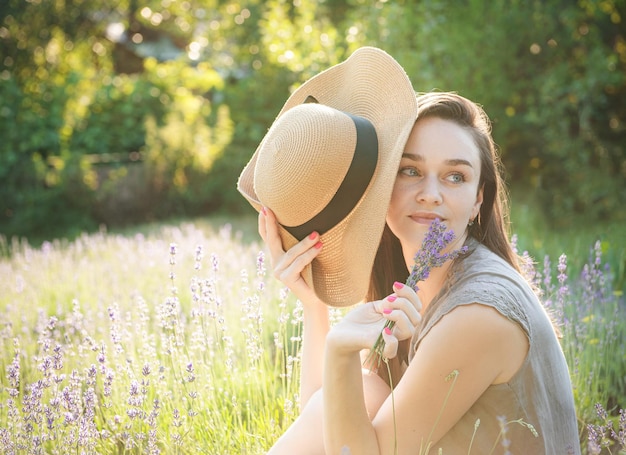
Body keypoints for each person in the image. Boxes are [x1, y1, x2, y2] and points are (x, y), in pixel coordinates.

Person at [238, 47, 580, 454]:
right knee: (362, 392)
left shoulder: (478, 313)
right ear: (383, 187)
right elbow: (326, 427)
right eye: (411, 171)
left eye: (455, 176)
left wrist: (341, 351)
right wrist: (315, 308)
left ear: (477, 201)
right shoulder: (416, 286)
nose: (431, 195)